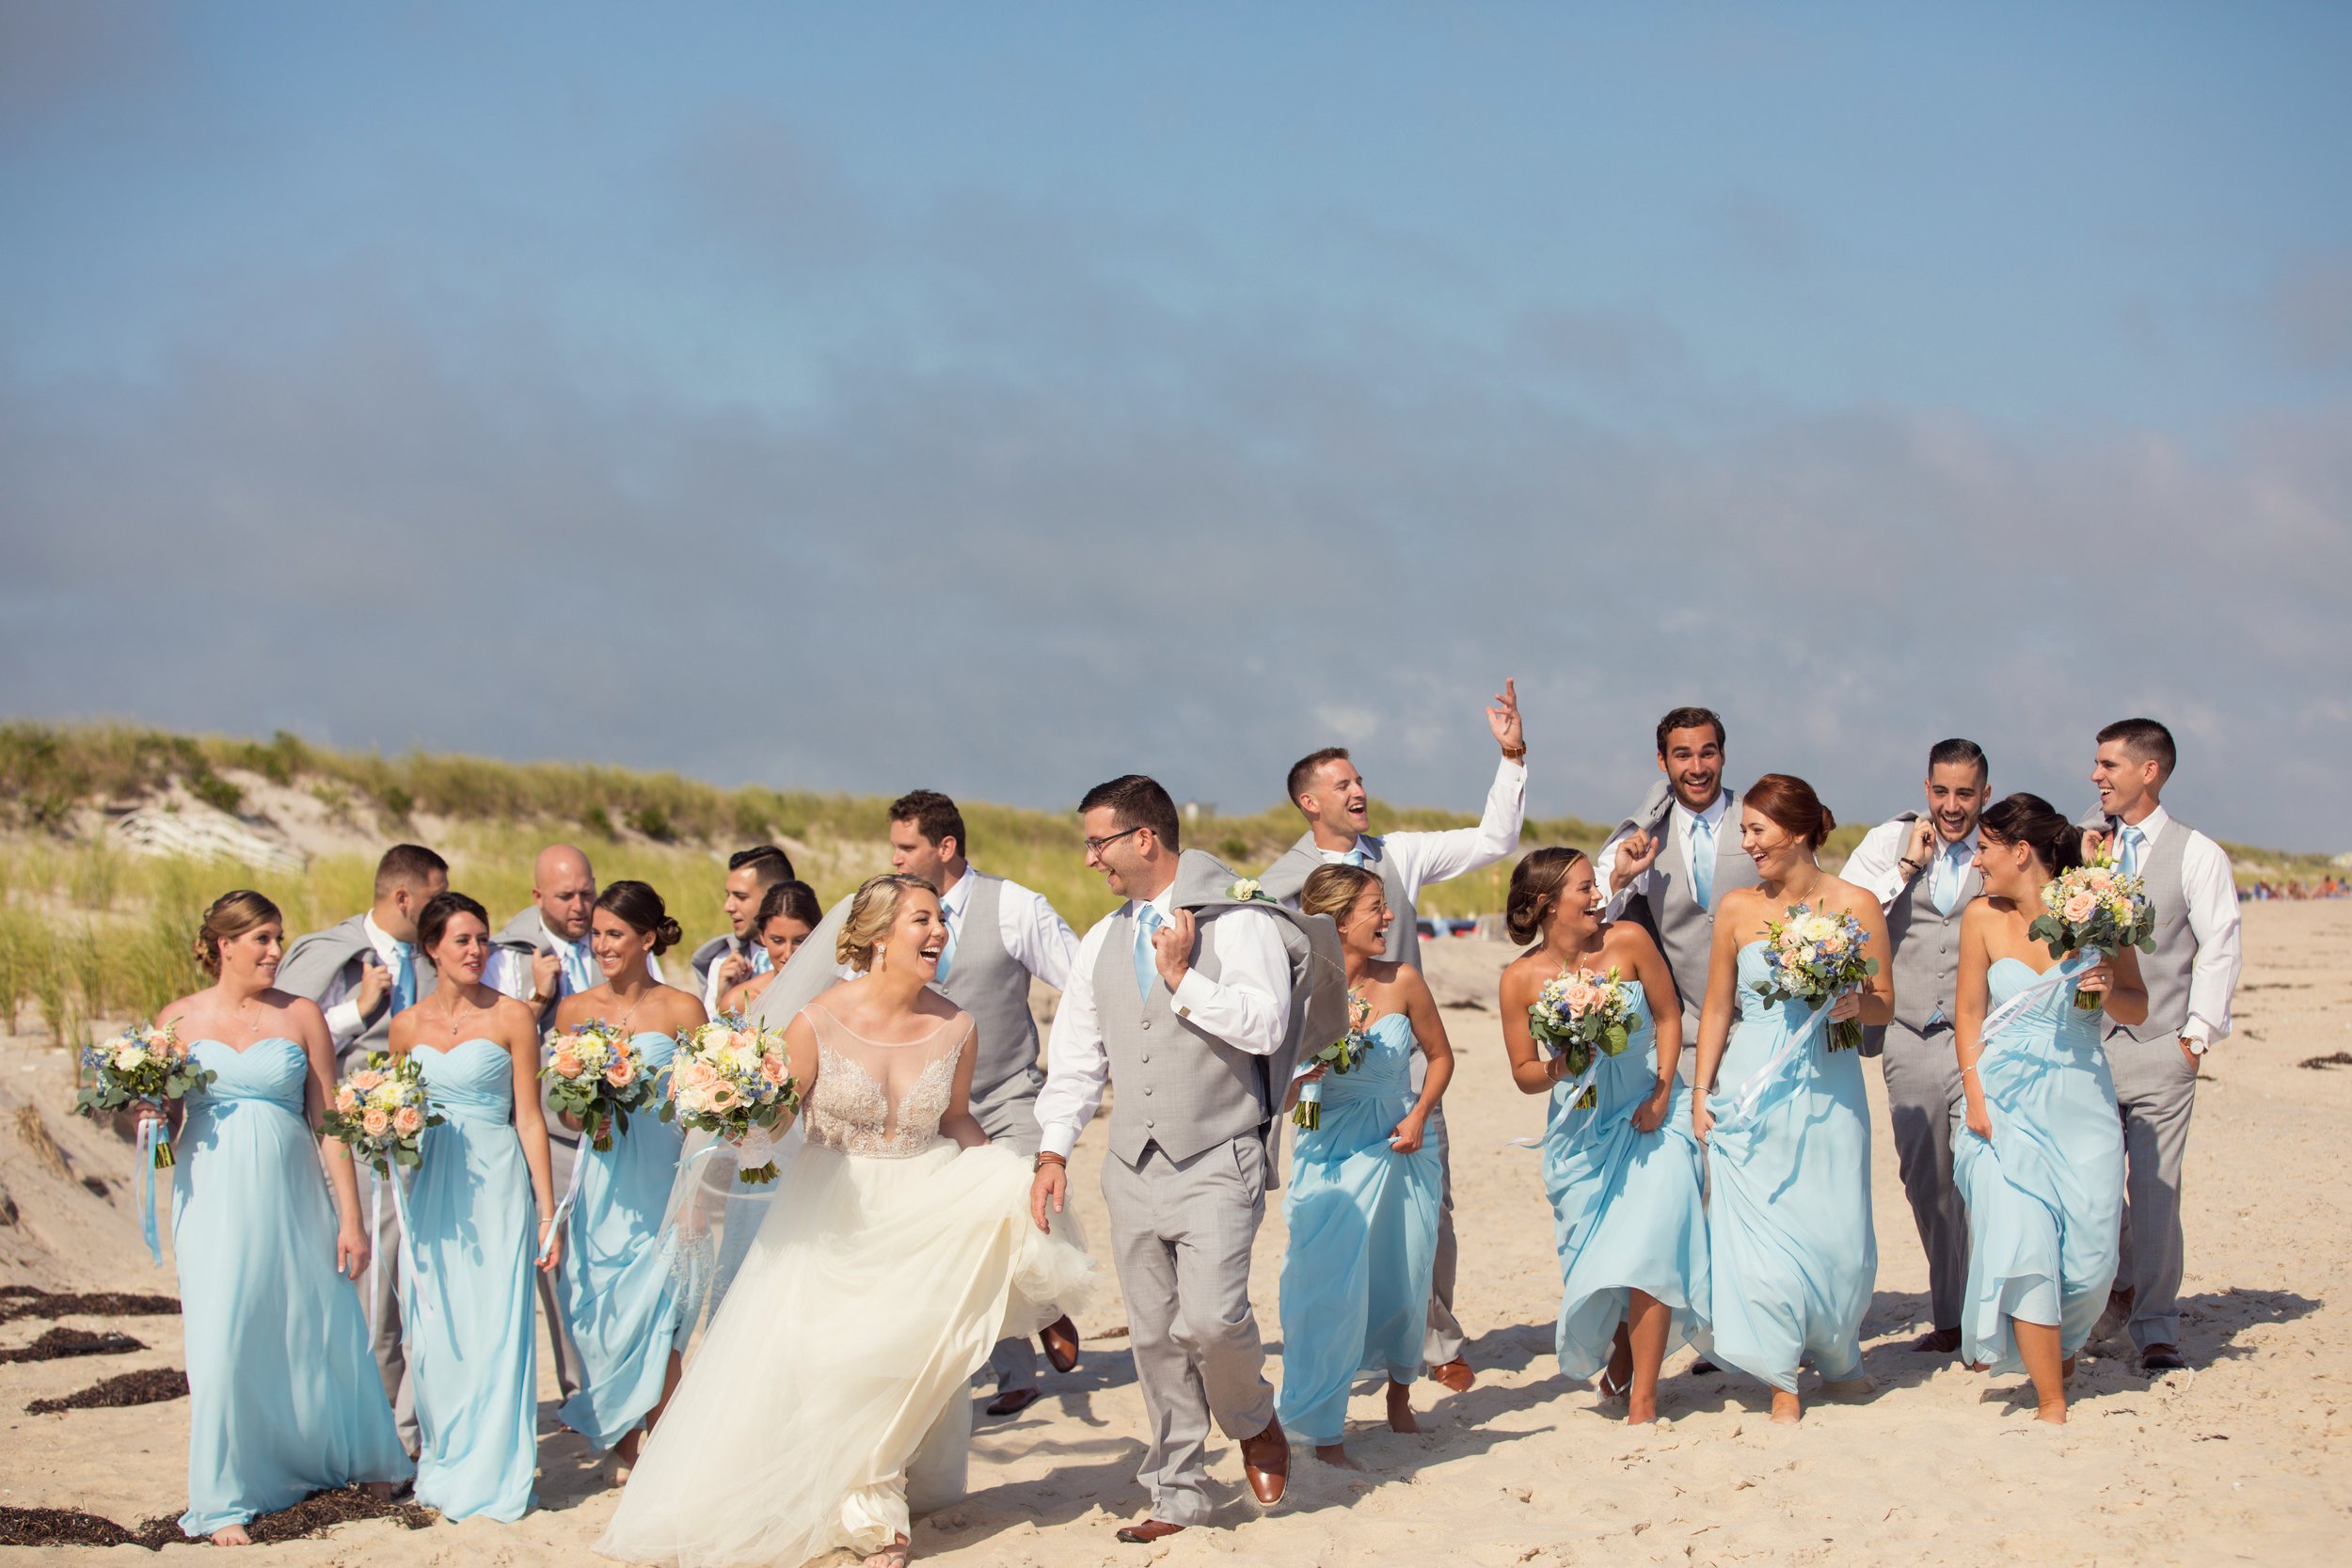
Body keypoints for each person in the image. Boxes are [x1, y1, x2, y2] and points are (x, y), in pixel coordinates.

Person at [595, 874, 1096, 1568]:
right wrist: (740, 1109)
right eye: (921, 920)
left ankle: (875, 1510)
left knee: (903, 1359)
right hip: (834, 1208)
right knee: (837, 1361)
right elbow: (777, 1119)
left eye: (940, 922)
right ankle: (854, 1505)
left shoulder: (957, 1024)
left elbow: (956, 1120)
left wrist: (1006, 1187)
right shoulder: (818, 1020)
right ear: (877, 936)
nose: (938, 933)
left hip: (923, 1201)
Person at [1029, 775, 1343, 1544]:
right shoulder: (1101, 939)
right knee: (1153, 1333)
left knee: (1210, 1317)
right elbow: (1076, 1056)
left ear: (1144, 838)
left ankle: (1251, 1416)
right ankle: (1178, 1489)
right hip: (1130, 1163)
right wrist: (1052, 1148)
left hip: (1218, 1150)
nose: (1089, 859)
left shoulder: (1240, 923)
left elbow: (1267, 1024)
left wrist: (1182, 979)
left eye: (1097, 842)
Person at [1255, 679, 1526, 1394]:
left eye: (1360, 779)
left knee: (1428, 1207)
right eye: (1342, 783)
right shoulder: (1274, 887)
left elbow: (1495, 840)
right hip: (1321, 1086)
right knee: (1328, 1216)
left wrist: (1512, 756)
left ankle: (1435, 1338)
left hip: (1400, 1071)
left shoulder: (1399, 854)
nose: (1358, 790)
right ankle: (1339, 1343)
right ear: (1309, 801)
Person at [149, 892, 411, 1544]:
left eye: (277, 937)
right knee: (220, 1336)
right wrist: (147, 1115)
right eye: (262, 939)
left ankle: (360, 1457)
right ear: (223, 944)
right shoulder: (177, 1019)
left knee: (312, 1323)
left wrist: (350, 1218)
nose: (274, 951)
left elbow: (329, 1124)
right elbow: (166, 1124)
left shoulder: (301, 1016)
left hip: (293, 1193)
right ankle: (224, 1497)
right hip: (210, 1193)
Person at [1690, 775, 1892, 1425]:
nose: (1747, 843)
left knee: (1840, 1232)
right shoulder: (1736, 909)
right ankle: (1780, 1372)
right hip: (1753, 1085)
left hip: (1830, 1081)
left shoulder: (1856, 902)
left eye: (1756, 830)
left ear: (1798, 831)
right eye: (1744, 830)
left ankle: (1839, 1351)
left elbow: (1888, 1001)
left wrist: (1860, 1002)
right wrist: (1701, 1091)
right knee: (1761, 1233)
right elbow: (1719, 1005)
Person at [886, 788, 1086, 1418]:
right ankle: (1014, 1372)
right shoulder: (891, 910)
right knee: (964, 1237)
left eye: (905, 847)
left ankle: (1050, 1307)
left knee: (1031, 1205)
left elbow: (1082, 981)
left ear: (945, 847)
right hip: (930, 1106)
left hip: (1007, 1092)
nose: (893, 860)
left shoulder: (1015, 906)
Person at [1497, 848, 1705, 1426]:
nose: (1598, 897)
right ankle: (1621, 1349)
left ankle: (1644, 1400)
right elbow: (1523, 1074)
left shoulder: (1630, 941)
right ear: (1546, 905)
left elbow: (1668, 1017)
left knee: (1653, 1248)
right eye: (1585, 889)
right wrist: (1561, 1066)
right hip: (1580, 1134)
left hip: (1649, 1115)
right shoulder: (1519, 980)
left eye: (1595, 887)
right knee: (1606, 1259)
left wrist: (1663, 1094)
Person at [1953, 794, 2141, 1422]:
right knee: (2025, 1239)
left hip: (2082, 1095)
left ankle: (2057, 1353)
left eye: (1984, 848)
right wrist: (1975, 1098)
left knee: (2091, 1260)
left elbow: (2139, 1006)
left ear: (2021, 851)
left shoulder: (2101, 910)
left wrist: (2112, 988)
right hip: (2002, 1102)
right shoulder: (1979, 917)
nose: (1976, 860)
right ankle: (2051, 1401)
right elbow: (1969, 1015)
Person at [389, 891, 561, 1523]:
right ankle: (445, 1457)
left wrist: (547, 1211)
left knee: (496, 1322)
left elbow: (530, 1118)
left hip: (497, 1181)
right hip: (432, 1185)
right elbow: (395, 1113)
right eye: (461, 939)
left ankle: (495, 1469)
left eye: (482, 938)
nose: (475, 950)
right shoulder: (405, 1027)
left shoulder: (513, 1017)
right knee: (437, 1327)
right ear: (431, 946)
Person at [274, 842, 449, 1451]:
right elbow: (280, 1038)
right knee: (367, 1297)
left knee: (417, 1296)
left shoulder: (436, 958)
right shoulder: (328, 952)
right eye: (432, 898)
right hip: (349, 1151)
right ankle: (370, 1437)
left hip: (429, 1149)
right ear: (402, 897)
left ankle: (406, 1429)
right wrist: (356, 1008)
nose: (441, 910)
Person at [2083, 718, 2243, 1373]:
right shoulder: (2088, 847)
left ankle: (2155, 1327)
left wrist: (2195, 1037)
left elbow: (2219, 942)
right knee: (2091, 1186)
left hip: (2161, 1048)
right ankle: (2107, 1298)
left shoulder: (2197, 853)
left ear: (2149, 770)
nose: (2096, 775)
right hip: (2088, 1048)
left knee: (2154, 1192)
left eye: (2109, 764)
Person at [1276, 865, 1449, 1465]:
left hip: (1399, 1146)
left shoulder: (1402, 981)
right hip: (1325, 1152)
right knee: (1321, 1291)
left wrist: (1420, 1112)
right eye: (1377, 907)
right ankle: (1322, 1427)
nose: (1390, 919)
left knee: (1401, 1280)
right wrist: (1304, 1074)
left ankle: (1400, 1397)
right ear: (1338, 920)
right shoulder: (1295, 992)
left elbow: (1441, 1055)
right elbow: (1278, 1090)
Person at [1838, 738, 1993, 1355]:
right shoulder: (1887, 839)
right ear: (1925, 787)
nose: (1952, 806)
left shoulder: (2002, 844)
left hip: (1984, 1036)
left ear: (1986, 792)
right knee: (1927, 1177)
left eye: (1965, 793)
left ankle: (1984, 1317)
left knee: (1983, 1173)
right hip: (1908, 1032)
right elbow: (1843, 919)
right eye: (1941, 791)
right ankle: (1951, 1312)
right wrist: (1902, 871)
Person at [551, 881, 707, 1476]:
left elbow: (702, 1105)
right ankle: (623, 1435)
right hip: (604, 1175)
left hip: (664, 1173)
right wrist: (586, 1098)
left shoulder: (682, 1010)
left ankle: (665, 1445)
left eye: (614, 933)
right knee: (604, 1310)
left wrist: (695, 1193)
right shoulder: (574, 1011)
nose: (600, 945)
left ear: (647, 938)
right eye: (595, 933)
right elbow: (562, 1111)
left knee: (664, 1309)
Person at [486, 841, 626, 1408]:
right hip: (542, 1129)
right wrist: (539, 997)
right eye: (566, 895)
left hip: (610, 1130)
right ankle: (576, 1392)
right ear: (537, 895)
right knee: (557, 1263)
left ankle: (612, 1385)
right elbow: (488, 1046)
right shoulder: (505, 955)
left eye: (587, 893)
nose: (579, 906)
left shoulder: (610, 947)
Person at [1595, 708, 1762, 1069]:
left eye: (1708, 752)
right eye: (1683, 755)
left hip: (1765, 1035)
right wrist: (1619, 881)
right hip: (1686, 1043)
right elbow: (1589, 917)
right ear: (1662, 760)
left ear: (1723, 755)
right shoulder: (1638, 836)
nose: (1698, 768)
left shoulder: (1760, 818)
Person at [691, 846, 797, 1011]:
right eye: (728, 895)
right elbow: (706, 1034)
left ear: (775, 897)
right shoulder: (723, 962)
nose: (728, 907)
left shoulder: (824, 958)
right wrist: (723, 999)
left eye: (740, 897)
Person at [717, 879, 823, 1016]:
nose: (788, 954)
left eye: (801, 941)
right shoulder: (739, 1003)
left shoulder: (841, 994)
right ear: (762, 936)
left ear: (818, 934)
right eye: (777, 940)